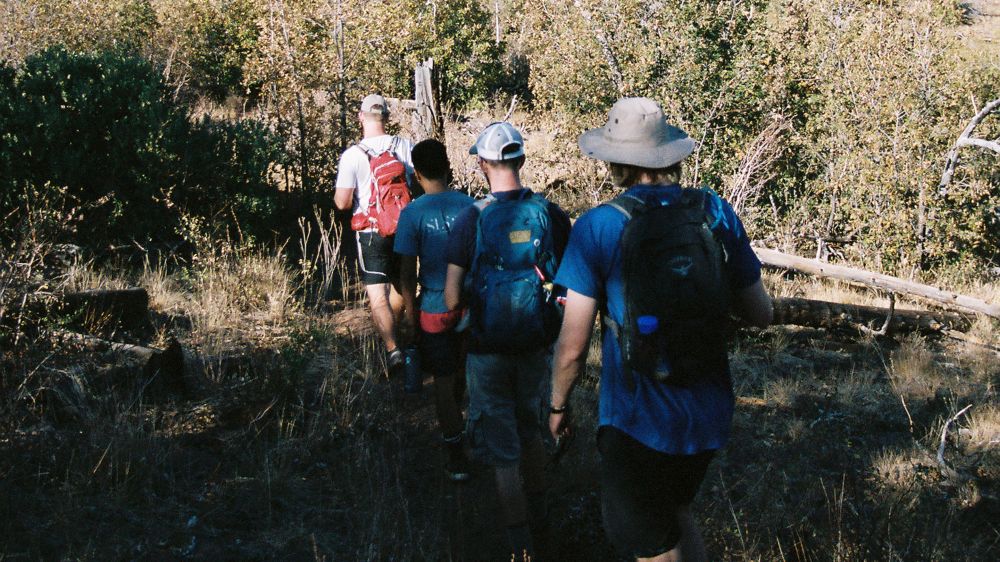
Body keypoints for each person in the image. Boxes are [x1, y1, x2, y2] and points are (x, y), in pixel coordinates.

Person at [548, 97, 773, 562]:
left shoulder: (599, 226)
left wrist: (557, 406)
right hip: (707, 412)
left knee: (653, 544)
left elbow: (572, 348)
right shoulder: (715, 212)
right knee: (676, 513)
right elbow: (761, 313)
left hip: (636, 421)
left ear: (616, 161)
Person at [443, 122, 571, 559]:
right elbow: (567, 283)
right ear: (522, 160)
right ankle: (543, 523)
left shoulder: (472, 218)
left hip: (487, 350)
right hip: (535, 344)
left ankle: (520, 547)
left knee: (503, 452)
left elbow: (452, 297)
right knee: (530, 430)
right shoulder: (550, 214)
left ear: (482, 164)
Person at [394, 138, 475, 481]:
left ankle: (455, 454)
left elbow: (406, 271)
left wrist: (408, 315)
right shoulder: (470, 206)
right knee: (462, 373)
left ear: (416, 173)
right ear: (447, 167)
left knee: (442, 380)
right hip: (469, 304)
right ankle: (464, 428)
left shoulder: (412, 213)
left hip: (433, 308)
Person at [334, 93, 415, 373]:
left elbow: (343, 203)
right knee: (402, 285)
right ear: (387, 117)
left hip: (371, 231)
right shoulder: (404, 146)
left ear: (361, 117)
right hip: (404, 228)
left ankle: (393, 349)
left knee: (377, 295)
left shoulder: (352, 155)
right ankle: (403, 334)